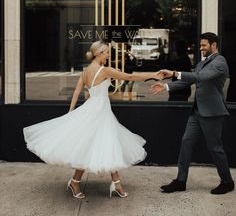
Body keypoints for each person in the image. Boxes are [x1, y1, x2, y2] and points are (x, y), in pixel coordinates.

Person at [23, 40, 162, 199]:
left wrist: (70, 112)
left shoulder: (86, 71)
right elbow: (130, 76)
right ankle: (84, 182)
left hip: (93, 109)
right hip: (98, 112)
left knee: (100, 144)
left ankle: (111, 183)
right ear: (100, 53)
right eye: (108, 52)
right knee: (100, 144)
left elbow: (77, 92)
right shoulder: (104, 71)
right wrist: (154, 75)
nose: (109, 55)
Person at [150, 32, 234, 194]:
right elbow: (192, 80)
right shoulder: (202, 63)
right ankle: (181, 181)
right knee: (186, 142)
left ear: (214, 45)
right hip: (197, 111)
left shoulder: (220, 61)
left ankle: (227, 181)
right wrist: (167, 86)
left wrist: (174, 73)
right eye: (201, 45)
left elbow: (200, 77)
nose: (201, 48)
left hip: (212, 113)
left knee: (215, 148)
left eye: (204, 45)